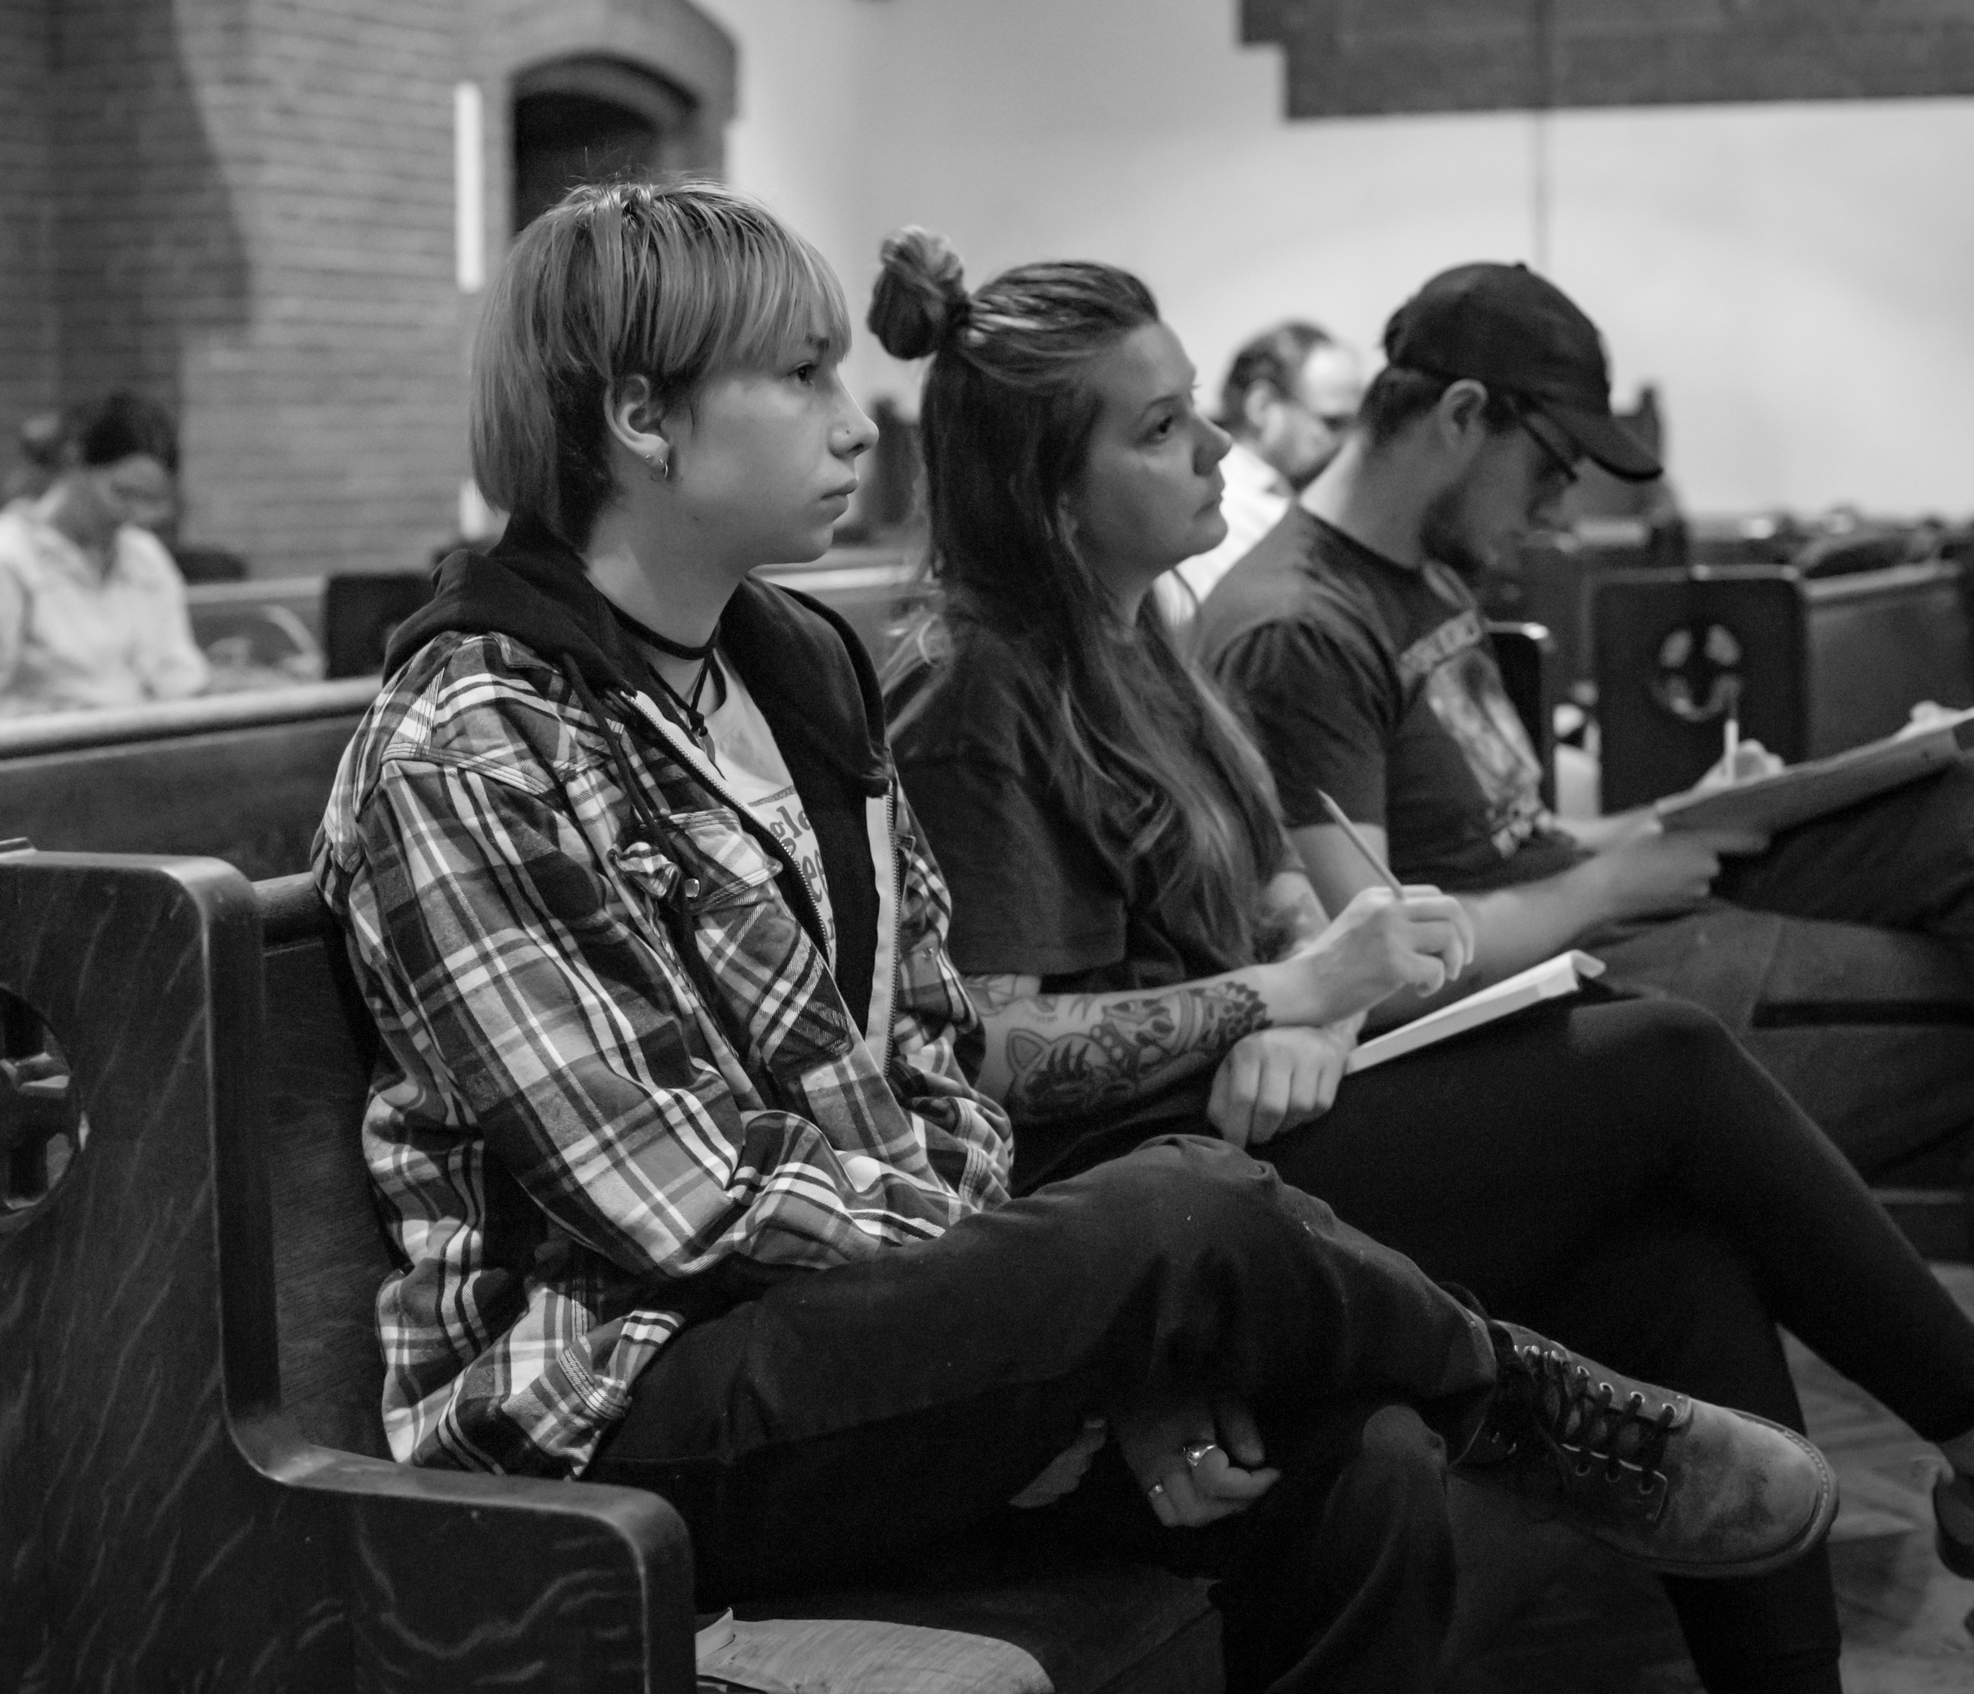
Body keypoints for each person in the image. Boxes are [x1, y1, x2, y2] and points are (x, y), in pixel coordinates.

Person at [304, 181, 1833, 1694]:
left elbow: (935, 1052)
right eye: (801, 376)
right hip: (616, 1410)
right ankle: (1506, 1393)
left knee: (1357, 1460)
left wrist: (1065, 1336)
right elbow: (678, 1192)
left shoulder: (795, 669)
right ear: (643, 416)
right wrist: (1072, 1311)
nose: (857, 426)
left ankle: (1460, 1401)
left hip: (858, 1328)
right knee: (1189, 1203)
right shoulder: (476, 739)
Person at [870, 228, 1974, 1692]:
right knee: (1666, 1055)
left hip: (1252, 1114)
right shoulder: (975, 686)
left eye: (1197, 407)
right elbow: (994, 1052)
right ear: (1048, 490)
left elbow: (1280, 896)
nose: (1218, 447)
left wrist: (1311, 1008)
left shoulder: (1142, 637)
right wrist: (1287, 996)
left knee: (1676, 1265)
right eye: (1162, 427)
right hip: (1138, 1199)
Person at [1190, 264, 1974, 1172]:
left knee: (1953, 797)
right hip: (1541, 1002)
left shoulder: (1427, 569)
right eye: (1551, 467)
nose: (1558, 507)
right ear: (1461, 415)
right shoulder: (1296, 630)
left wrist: (1679, 816)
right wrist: (1610, 885)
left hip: (1600, 926)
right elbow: (1367, 968)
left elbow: (1517, 835)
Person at [0, 389, 209, 722]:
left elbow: (178, 679)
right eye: (122, 493)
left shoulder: (143, 556)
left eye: (148, 500)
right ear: (74, 460)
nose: (132, 515)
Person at [1155, 321, 1361, 625]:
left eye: (1358, 424)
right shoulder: (1222, 507)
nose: (1350, 445)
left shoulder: (1275, 495)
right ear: (1262, 406)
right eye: (1332, 423)